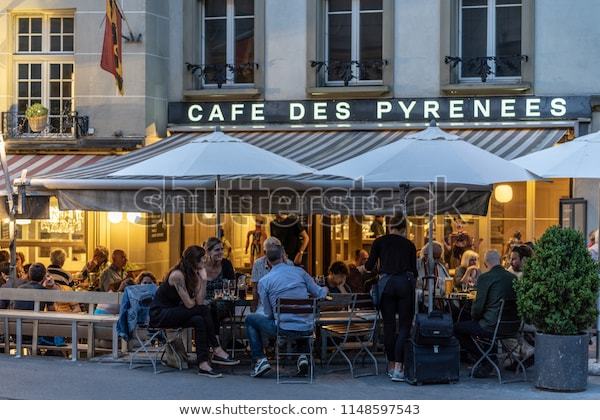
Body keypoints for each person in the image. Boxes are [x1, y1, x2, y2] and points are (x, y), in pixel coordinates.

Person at [149, 245, 238, 378]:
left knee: (199, 319)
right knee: (203, 310)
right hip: (160, 314)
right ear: (193, 261)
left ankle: (203, 364)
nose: (205, 262)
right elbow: (191, 305)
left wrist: (203, 279)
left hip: (175, 311)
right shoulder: (177, 275)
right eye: (202, 260)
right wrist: (201, 279)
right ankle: (217, 348)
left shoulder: (193, 274)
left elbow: (200, 301)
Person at [245, 245, 327, 378]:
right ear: (283, 257)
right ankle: (303, 357)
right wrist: (326, 289)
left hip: (282, 328)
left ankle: (260, 360)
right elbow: (319, 293)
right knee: (300, 318)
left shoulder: (264, 281)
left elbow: (269, 313)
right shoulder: (300, 272)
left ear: (267, 262)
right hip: (307, 328)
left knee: (250, 319)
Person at [365, 214, 417, 382]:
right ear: (404, 229)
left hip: (386, 284)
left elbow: (369, 266)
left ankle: (391, 364)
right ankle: (399, 369)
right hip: (404, 284)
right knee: (404, 326)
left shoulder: (379, 242)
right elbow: (414, 271)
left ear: (389, 227)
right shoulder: (409, 244)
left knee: (388, 326)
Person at [454, 250, 519, 377]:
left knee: (457, 328)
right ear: (500, 261)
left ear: (485, 263)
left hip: (491, 326)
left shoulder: (485, 278)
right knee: (481, 324)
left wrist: (475, 317)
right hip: (513, 327)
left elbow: (477, 309)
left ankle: (485, 358)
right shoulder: (513, 277)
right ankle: (489, 358)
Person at [204, 237, 236, 348]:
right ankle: (214, 344)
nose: (221, 252)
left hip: (223, 302)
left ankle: (214, 344)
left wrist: (217, 298)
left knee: (212, 307)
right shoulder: (201, 266)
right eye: (217, 250)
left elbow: (232, 288)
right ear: (208, 251)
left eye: (222, 249)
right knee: (207, 309)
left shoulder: (226, 264)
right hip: (203, 302)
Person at [250, 236, 293, 313]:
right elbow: (255, 288)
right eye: (271, 251)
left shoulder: (289, 264)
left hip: (284, 307)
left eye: (276, 251)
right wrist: (254, 305)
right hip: (263, 307)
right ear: (264, 252)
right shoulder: (258, 264)